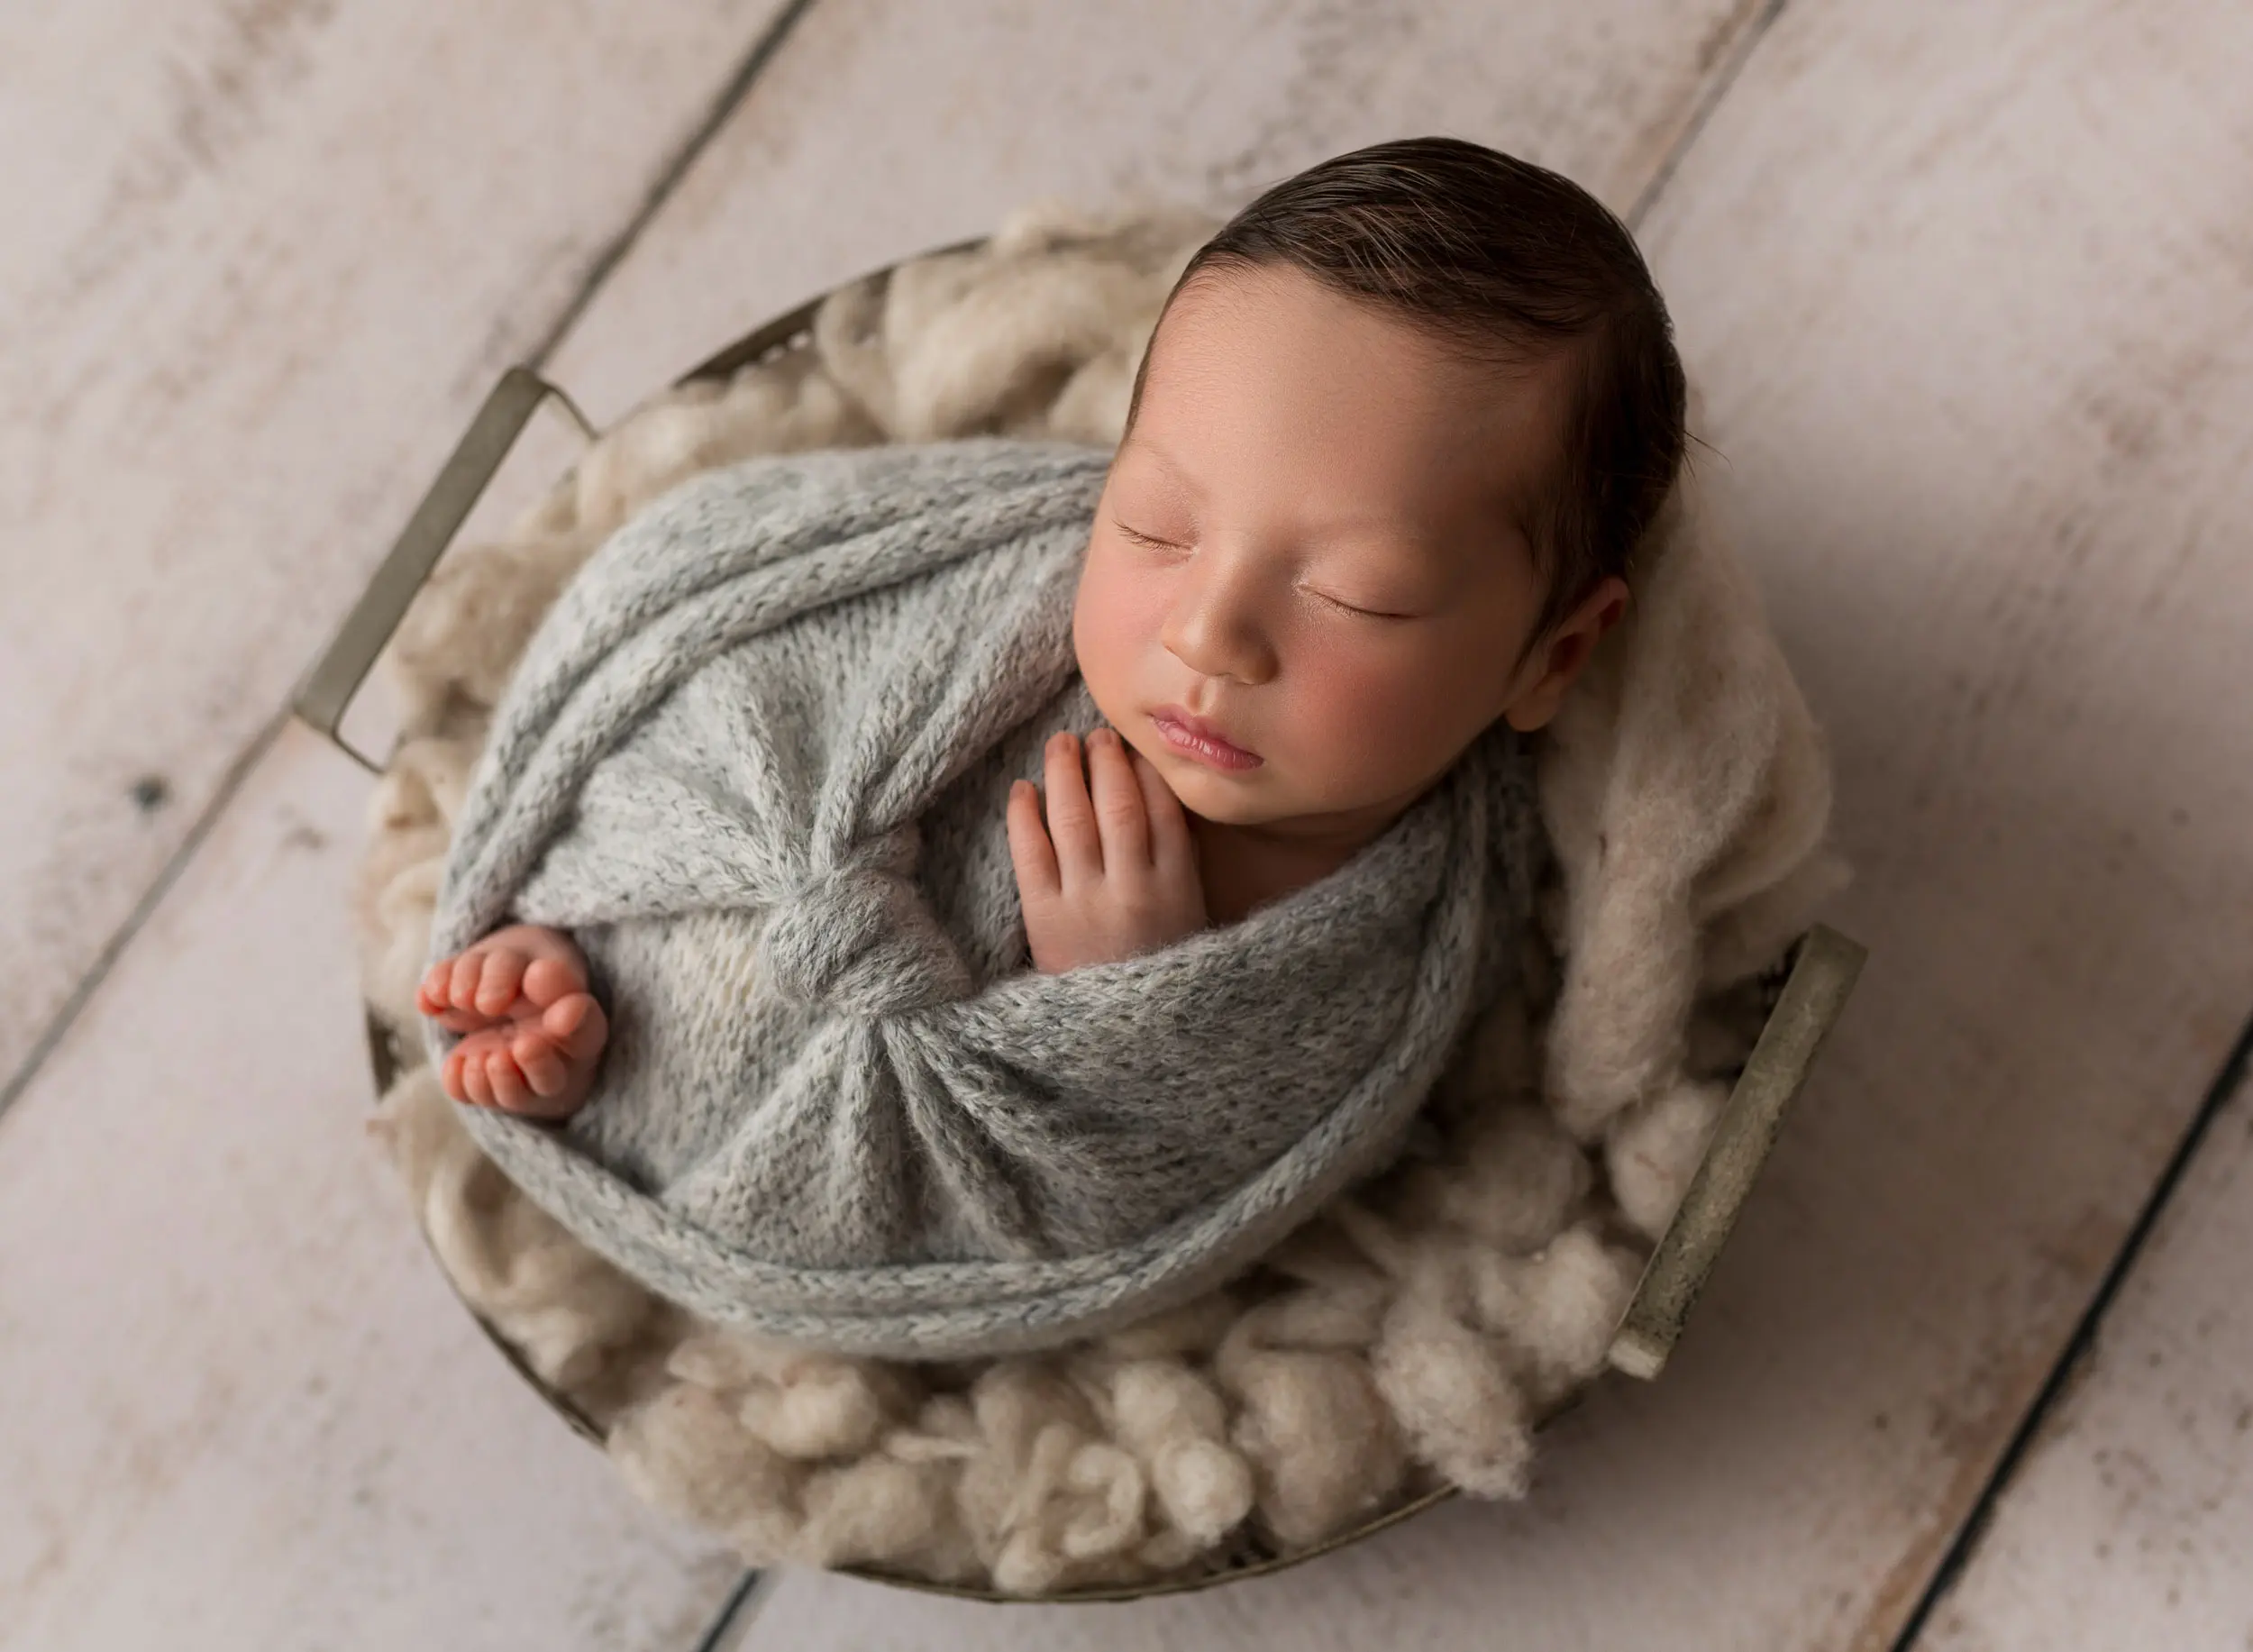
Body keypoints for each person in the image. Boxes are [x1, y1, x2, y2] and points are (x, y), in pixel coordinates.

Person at [417, 135, 1688, 1120]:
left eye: (1356, 596)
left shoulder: (1386, 971)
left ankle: (593, 1066)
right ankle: (558, 977)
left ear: (1554, 656)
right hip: (638, 917)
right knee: (605, 912)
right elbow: (736, 620)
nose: (1209, 633)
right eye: (1154, 525)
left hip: (815, 1143)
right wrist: (568, 928)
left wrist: (1120, 1010)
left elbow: (1150, 1179)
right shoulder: (1002, 582)